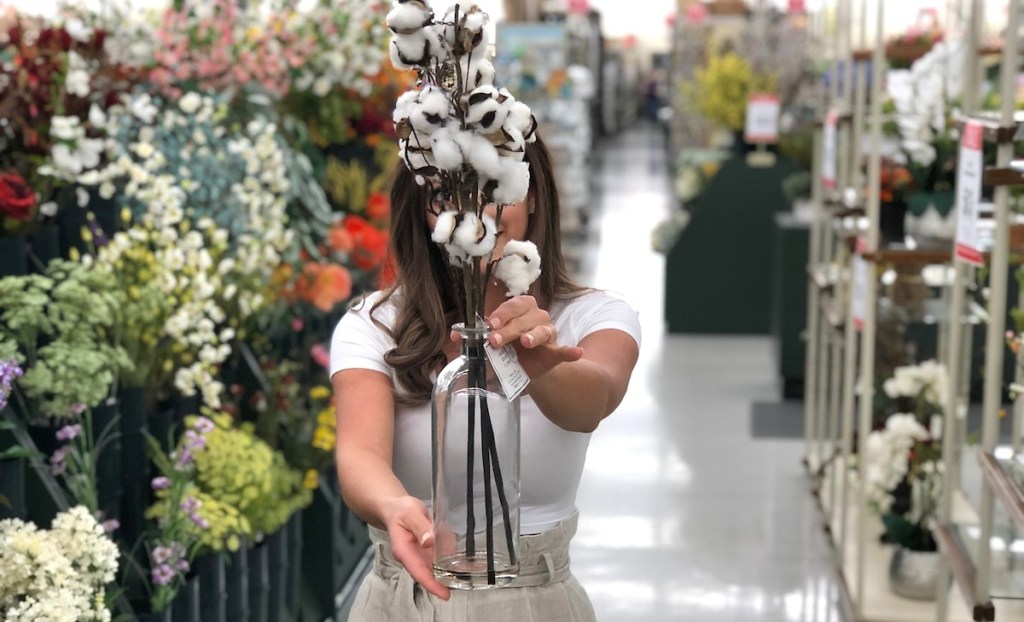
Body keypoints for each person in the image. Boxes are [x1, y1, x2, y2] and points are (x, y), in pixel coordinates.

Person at [330, 134, 641, 621]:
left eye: (497, 190)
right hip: (406, 600)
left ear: (533, 193)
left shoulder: (595, 315)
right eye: (444, 197)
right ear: (420, 212)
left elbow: (592, 402)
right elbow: (359, 453)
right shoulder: (373, 323)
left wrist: (538, 364)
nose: (476, 216)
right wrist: (396, 509)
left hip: (535, 602)